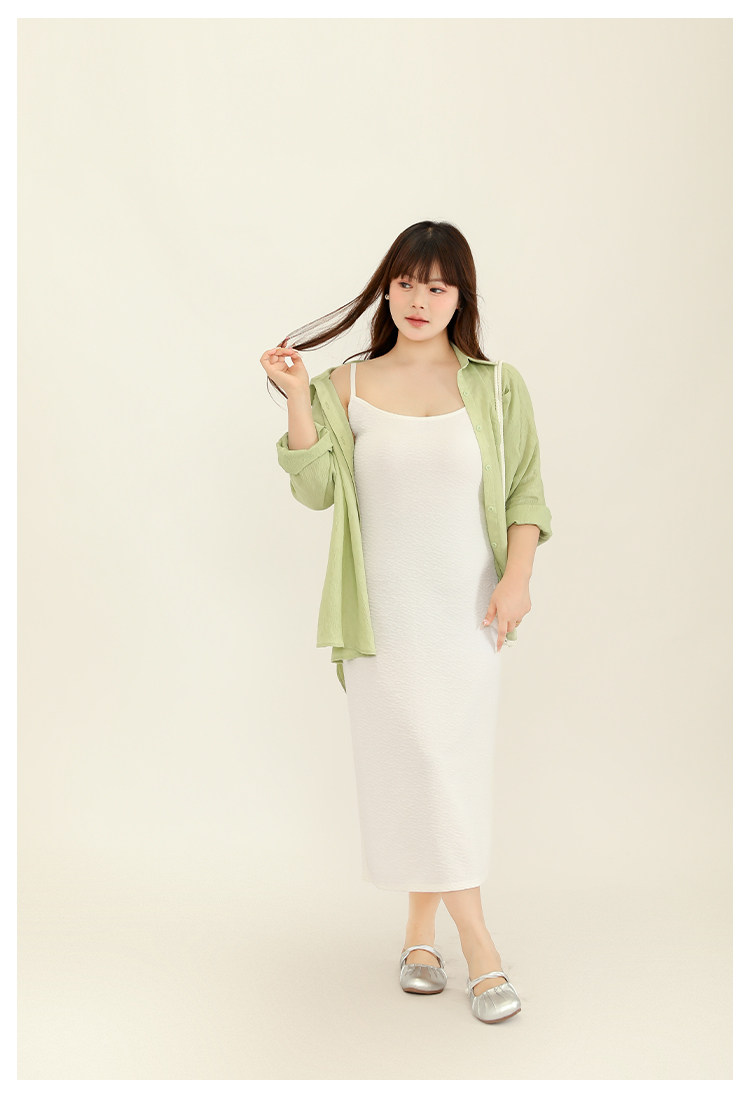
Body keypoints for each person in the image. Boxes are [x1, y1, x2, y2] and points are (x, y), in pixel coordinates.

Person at [260, 220, 552, 1024]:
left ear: (461, 297)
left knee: (445, 768)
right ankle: (478, 945)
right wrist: (298, 398)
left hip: (469, 616)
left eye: (437, 286)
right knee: (422, 765)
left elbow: (526, 491)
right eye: (405, 283)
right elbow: (316, 490)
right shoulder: (346, 385)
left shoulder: (498, 387)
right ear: (385, 290)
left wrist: (519, 579)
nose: (419, 300)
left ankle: (424, 938)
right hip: (381, 618)